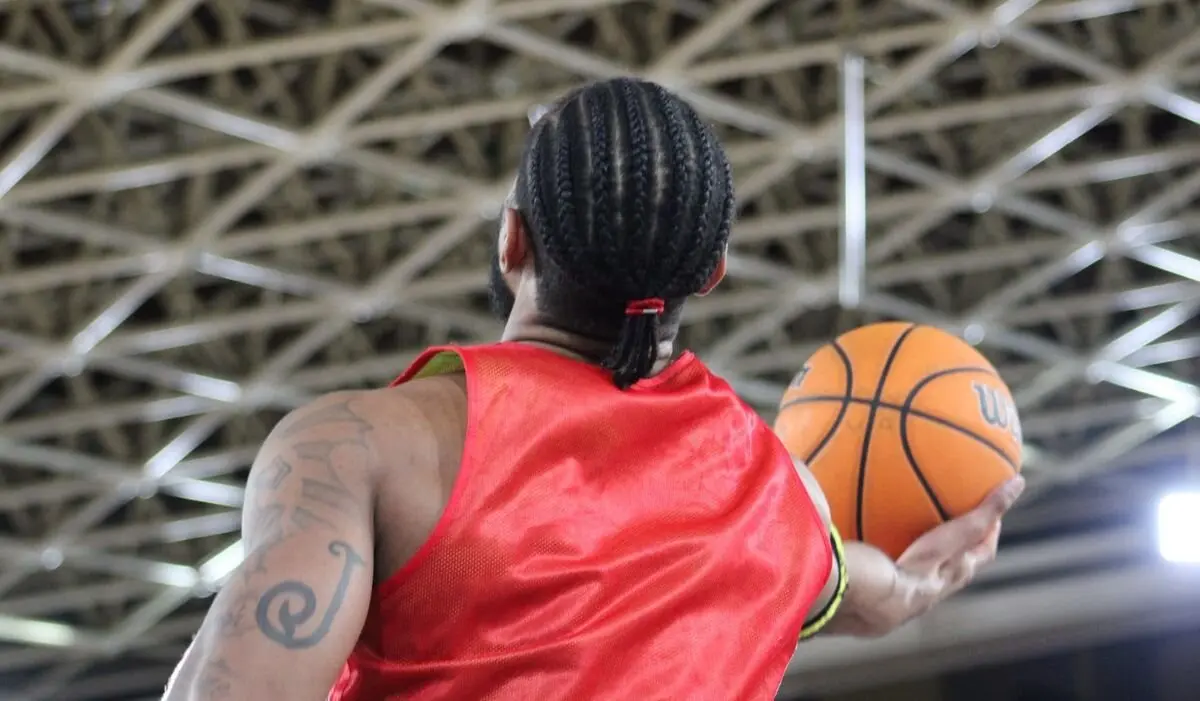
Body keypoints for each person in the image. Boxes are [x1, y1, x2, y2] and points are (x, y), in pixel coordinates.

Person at [162, 78, 1024, 701]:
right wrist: (951, 550)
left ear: (512, 241)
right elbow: (882, 595)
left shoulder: (362, 449)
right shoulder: (782, 505)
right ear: (712, 272)